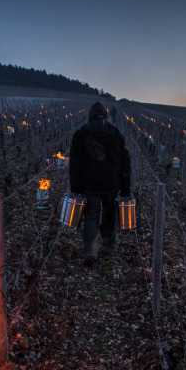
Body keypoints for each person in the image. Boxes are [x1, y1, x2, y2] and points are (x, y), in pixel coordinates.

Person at [69, 102, 131, 265]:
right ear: (105, 115)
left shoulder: (81, 133)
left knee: (91, 216)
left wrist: (75, 186)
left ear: (90, 115)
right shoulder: (116, 133)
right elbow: (126, 161)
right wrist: (126, 187)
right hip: (111, 183)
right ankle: (109, 246)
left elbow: (75, 162)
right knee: (109, 215)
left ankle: (90, 250)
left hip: (89, 184)